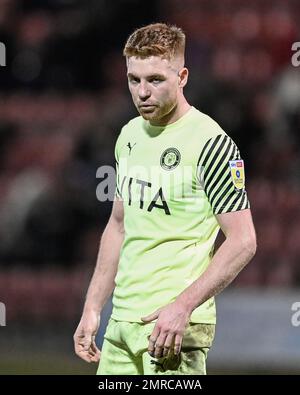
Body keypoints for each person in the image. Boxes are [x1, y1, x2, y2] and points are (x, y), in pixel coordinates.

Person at [73, 22, 257, 375]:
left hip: (172, 328)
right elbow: (118, 225)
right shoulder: (128, 135)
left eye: (155, 79)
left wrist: (182, 307)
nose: (142, 92)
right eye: (133, 79)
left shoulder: (211, 144)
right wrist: (94, 305)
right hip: (122, 324)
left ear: (182, 76)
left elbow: (244, 240)